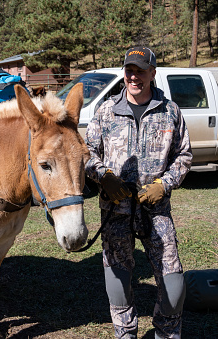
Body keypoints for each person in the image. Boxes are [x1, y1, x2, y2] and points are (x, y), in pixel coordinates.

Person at [85, 47, 192, 339]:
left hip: (155, 212)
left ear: (152, 73)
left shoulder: (170, 111)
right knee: (118, 284)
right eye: (129, 70)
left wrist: (164, 184)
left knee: (173, 285)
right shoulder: (106, 110)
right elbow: (87, 153)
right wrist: (104, 176)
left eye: (141, 71)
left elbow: (183, 156)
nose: (134, 77)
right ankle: (125, 335)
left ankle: (166, 334)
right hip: (115, 212)